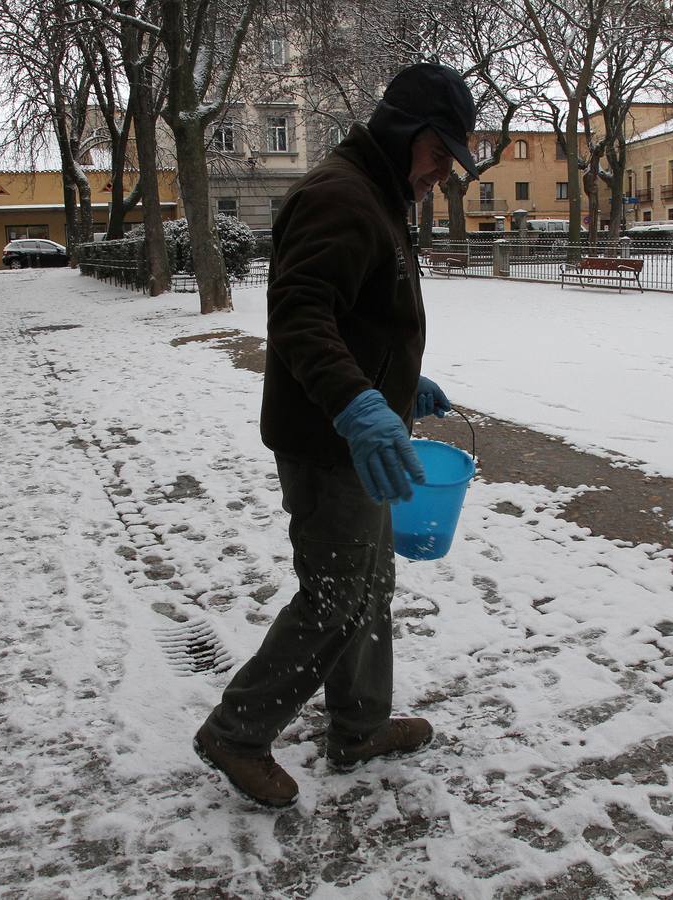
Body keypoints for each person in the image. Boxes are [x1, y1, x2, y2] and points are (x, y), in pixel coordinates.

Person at [193, 63, 479, 808]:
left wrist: (395, 383)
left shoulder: (376, 192)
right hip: (332, 442)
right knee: (336, 596)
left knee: (368, 584)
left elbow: (358, 312)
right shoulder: (341, 196)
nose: (443, 172)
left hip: (360, 431)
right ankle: (237, 731)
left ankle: (359, 724)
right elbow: (299, 314)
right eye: (441, 152)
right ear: (407, 133)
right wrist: (358, 403)